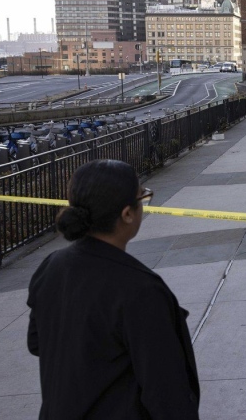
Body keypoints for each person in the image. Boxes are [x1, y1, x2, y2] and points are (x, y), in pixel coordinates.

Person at [27, 159, 200, 419]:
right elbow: (167, 393)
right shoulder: (141, 289)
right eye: (142, 197)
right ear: (127, 214)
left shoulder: (52, 266)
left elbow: (36, 342)